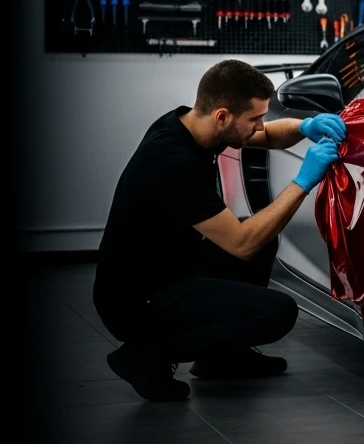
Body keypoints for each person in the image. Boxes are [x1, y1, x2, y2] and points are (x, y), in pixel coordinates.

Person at [93, 59, 346, 401]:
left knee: (263, 237)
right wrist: (303, 181)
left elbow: (269, 134)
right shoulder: (171, 162)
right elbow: (241, 244)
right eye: (254, 118)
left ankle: (223, 358)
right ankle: (145, 354)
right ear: (223, 116)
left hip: (169, 267)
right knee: (278, 312)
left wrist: (305, 126)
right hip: (136, 300)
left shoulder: (194, 125)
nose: (260, 125)